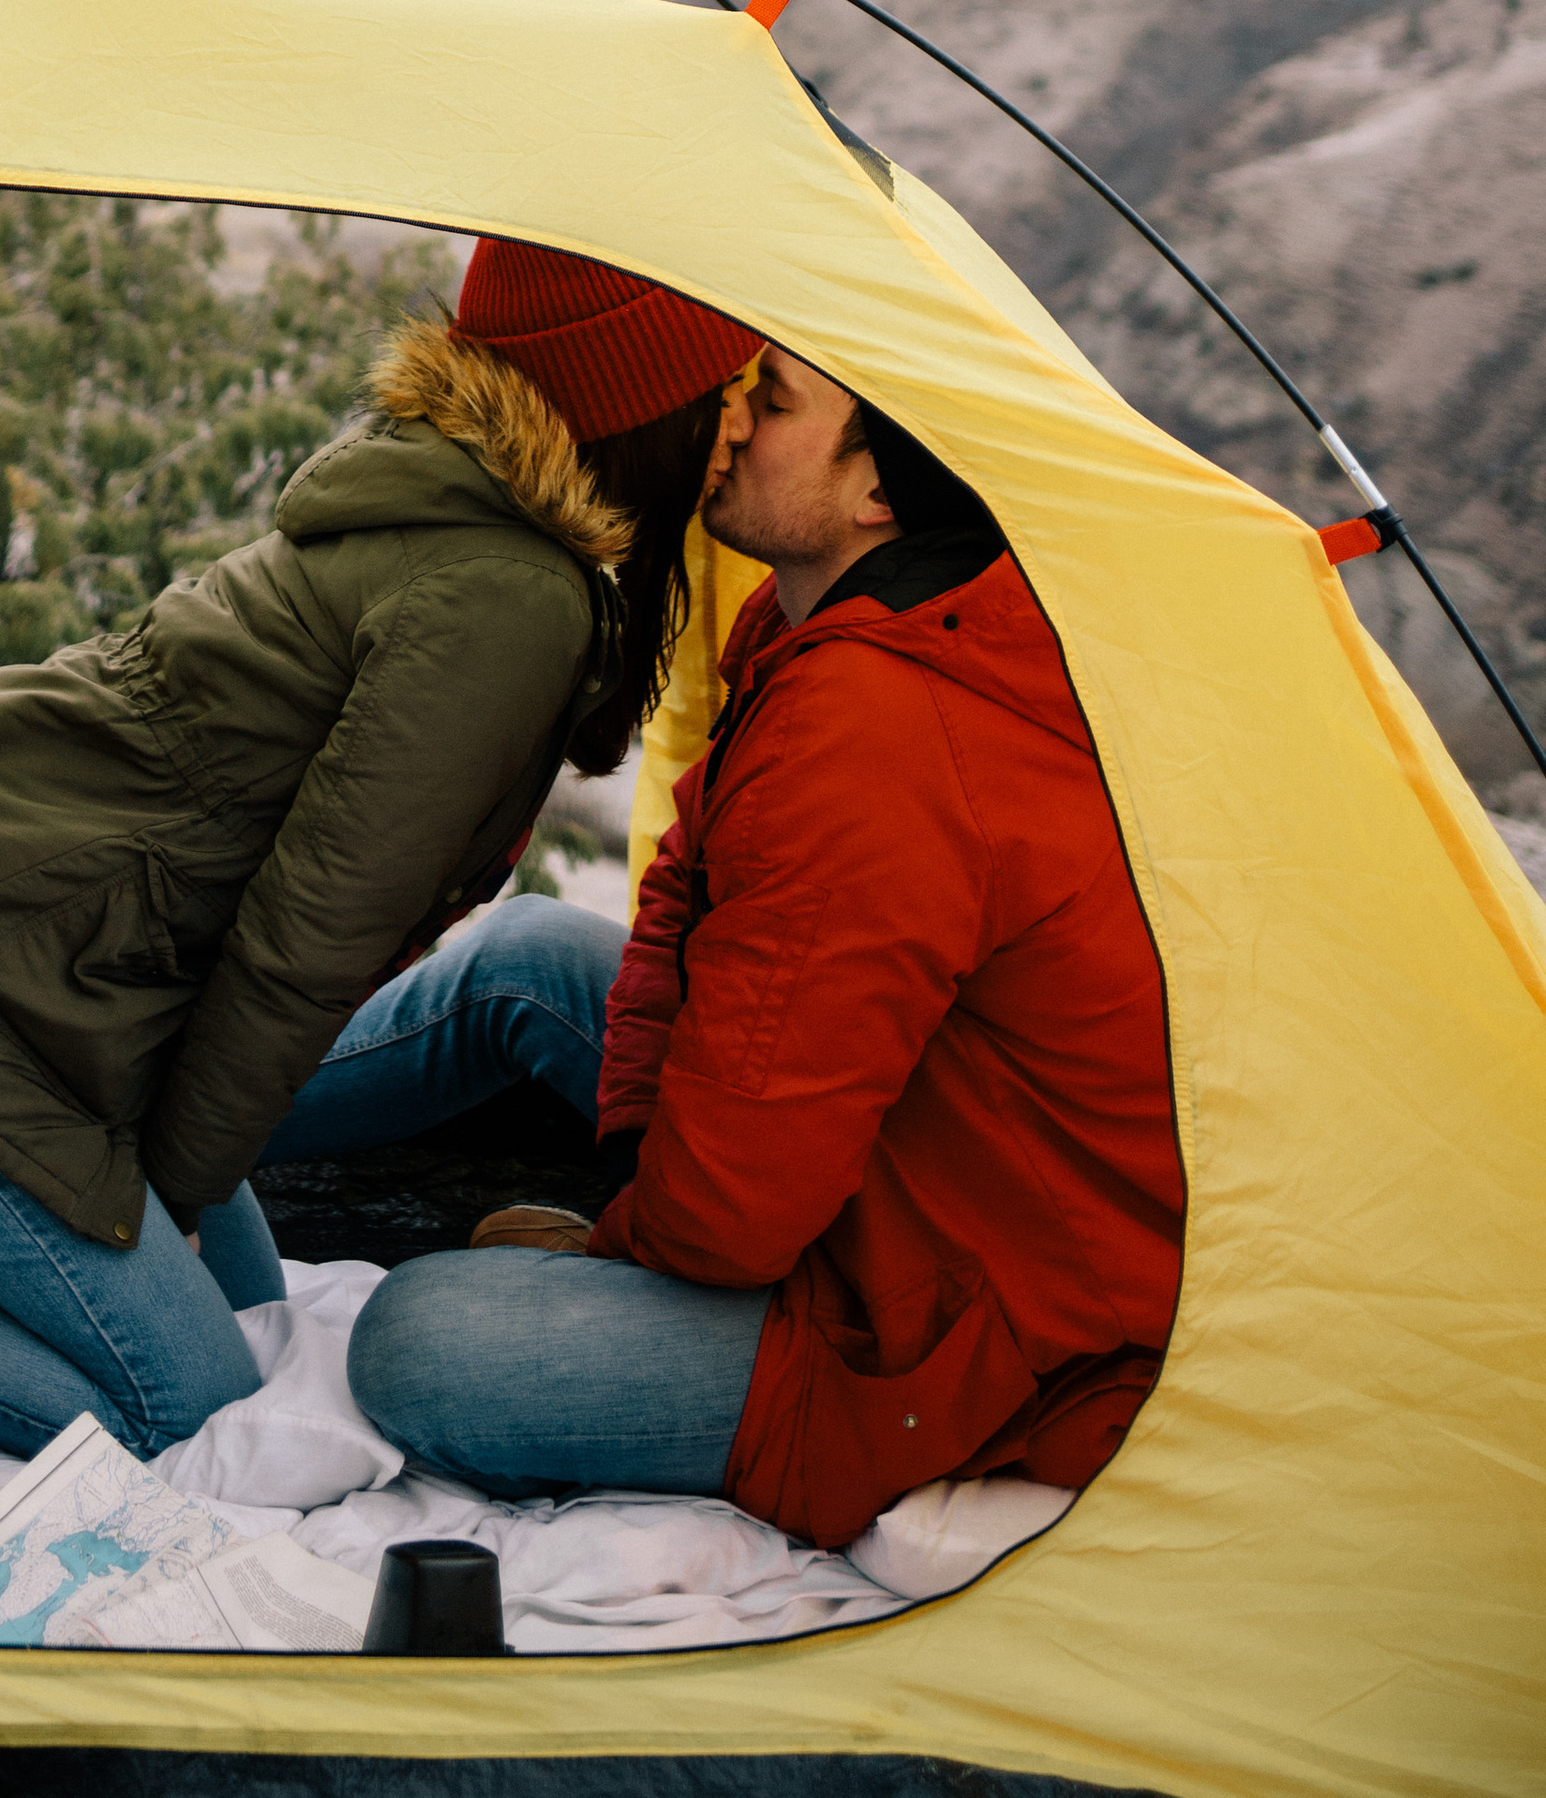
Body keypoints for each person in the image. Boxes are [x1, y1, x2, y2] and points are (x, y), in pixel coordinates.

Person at [0, 238, 760, 1456]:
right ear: (638, 407)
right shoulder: (504, 596)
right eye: (725, 398)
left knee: (247, 1314)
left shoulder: (453, 505)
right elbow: (301, 946)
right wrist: (162, 1195)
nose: (743, 428)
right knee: (188, 1404)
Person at [344, 340, 1188, 1548]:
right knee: (528, 950)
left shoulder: (879, 721)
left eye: (772, 403)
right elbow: (684, 891)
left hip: (968, 1324)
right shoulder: (827, 625)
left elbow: (731, 1219)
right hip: (897, 1156)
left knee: (423, 1342)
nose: (727, 419)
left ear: (876, 494)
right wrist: (640, 1149)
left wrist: (626, 1252)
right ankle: (174, 1119)